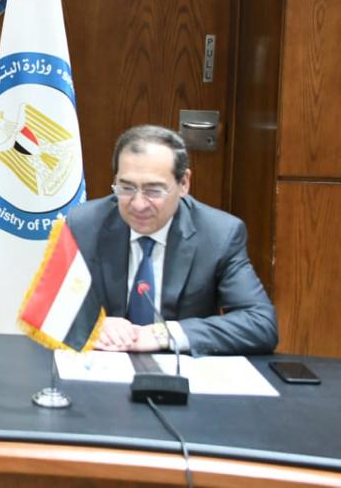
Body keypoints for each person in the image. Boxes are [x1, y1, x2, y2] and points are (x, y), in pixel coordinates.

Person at [67, 125, 277, 355]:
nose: (138, 204)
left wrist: (164, 334)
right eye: (126, 188)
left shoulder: (219, 234)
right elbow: (51, 310)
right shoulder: (85, 225)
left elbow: (260, 323)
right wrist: (94, 325)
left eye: (153, 191)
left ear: (184, 183)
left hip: (179, 366)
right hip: (105, 364)